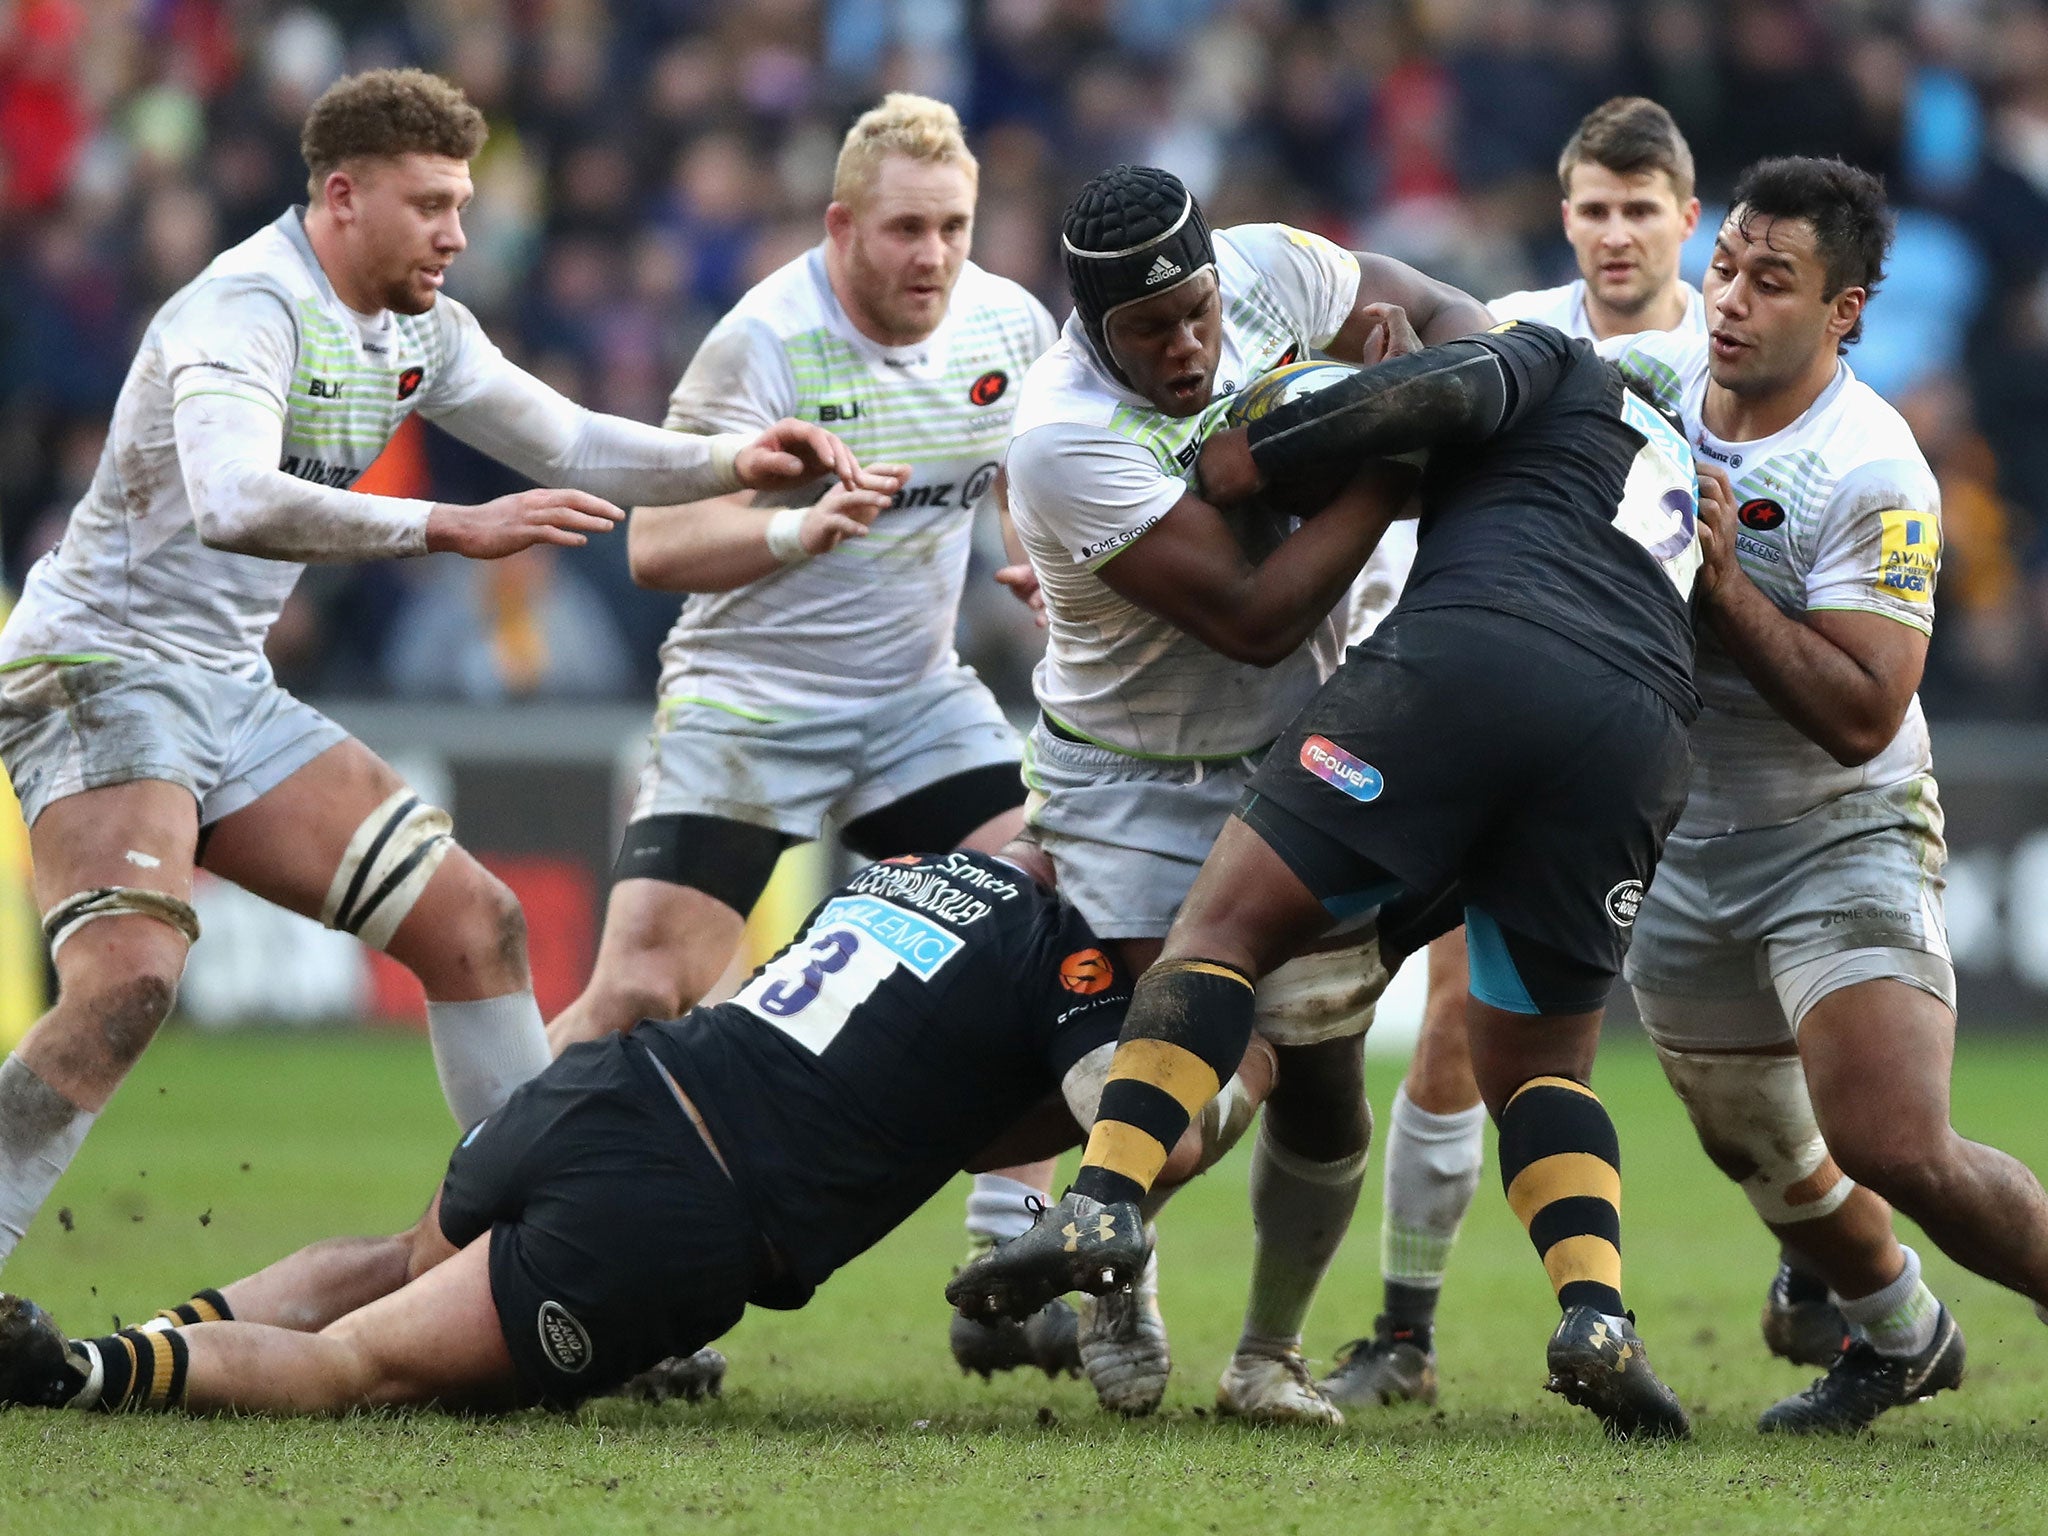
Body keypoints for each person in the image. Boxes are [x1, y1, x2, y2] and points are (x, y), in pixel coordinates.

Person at [0, 68, 888, 1270]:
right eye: (430, 206)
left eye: (462, 204)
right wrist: (444, 527)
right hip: (99, 667)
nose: (458, 235)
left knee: (479, 927)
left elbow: (572, 439)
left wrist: (736, 461)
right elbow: (225, 500)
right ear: (344, 196)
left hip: (225, 687)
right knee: (130, 981)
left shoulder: (419, 328)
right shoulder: (244, 311)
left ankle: (537, 1263)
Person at [953, 313, 1707, 1442]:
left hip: (1466, 662)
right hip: (1637, 735)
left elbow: (1422, 400)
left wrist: (1251, 455)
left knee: (1221, 933)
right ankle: (1594, 1313)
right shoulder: (1674, 466)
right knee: (1542, 1068)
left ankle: (1102, 1203)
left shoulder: (1548, 360)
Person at [0, 847, 1273, 1416]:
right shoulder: (1072, 965)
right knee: (362, 1373)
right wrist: (1250, 1060)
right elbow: (1135, 1116)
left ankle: (164, 1333)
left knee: (398, 1269)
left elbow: (902, 1056)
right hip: (678, 1209)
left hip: (611, 1081)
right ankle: (78, 1374)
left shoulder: (904, 873)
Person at [535, 94, 1068, 1380]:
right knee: (647, 990)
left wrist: (1031, 556)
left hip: (911, 701)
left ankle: (1008, 1252)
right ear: (841, 227)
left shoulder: (1008, 325)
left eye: (951, 227)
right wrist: (791, 529)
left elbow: (1019, 467)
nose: (931, 256)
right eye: (902, 230)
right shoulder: (761, 343)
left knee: (1063, 924)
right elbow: (654, 544)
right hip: (750, 701)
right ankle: (512, 1227)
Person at [1328, 95, 1831, 1415]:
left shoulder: (1732, 356)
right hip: (1526, 729)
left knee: (1744, 1038)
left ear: (1688, 221)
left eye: (1641, 210)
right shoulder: (1514, 336)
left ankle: (1821, 1264)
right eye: (1595, 211)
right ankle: (1405, 1330)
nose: (1617, 234)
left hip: (1687, 736)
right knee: (1458, 1027)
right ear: (1567, 218)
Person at [1001, 164, 1491, 1422]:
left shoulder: (1274, 267)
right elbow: (1257, 617)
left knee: (1322, 1087)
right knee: (1188, 1068)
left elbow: (1457, 320)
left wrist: (1406, 385)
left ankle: (1263, 1356)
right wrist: (1382, 450)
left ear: (1224, 274)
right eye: (1144, 333)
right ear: (1087, 327)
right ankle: (1115, 1260)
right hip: (1130, 783)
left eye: (1197, 312)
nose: (1184, 347)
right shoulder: (1061, 436)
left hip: (1289, 759)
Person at [1605, 156, 2048, 1434]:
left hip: (1835, 827)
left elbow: (1862, 714)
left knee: (1892, 1142)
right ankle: (1897, 1336)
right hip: (1685, 832)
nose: (1727, 299)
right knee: (1751, 1144)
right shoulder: (1654, 381)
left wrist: (1722, 585)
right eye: (1725, 266)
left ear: (1841, 312)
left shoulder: (1871, 469)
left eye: (1769, 281)